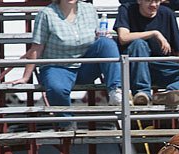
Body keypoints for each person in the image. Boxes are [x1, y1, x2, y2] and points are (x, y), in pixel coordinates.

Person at [11, 0, 123, 130]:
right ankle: (66, 122)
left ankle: (116, 91)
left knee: (106, 43)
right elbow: (37, 47)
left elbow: (97, 37)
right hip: (57, 66)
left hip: (85, 65)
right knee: (56, 88)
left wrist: (103, 36)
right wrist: (26, 76)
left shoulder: (89, 9)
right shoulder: (46, 14)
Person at [114, 0, 179, 106]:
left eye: (156, 1)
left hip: (160, 67)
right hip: (134, 68)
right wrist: (154, 33)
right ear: (139, 1)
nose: (153, 5)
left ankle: (172, 93)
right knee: (138, 44)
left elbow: (178, 49)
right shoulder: (126, 9)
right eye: (148, 1)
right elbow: (123, 37)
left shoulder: (167, 13)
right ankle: (142, 93)